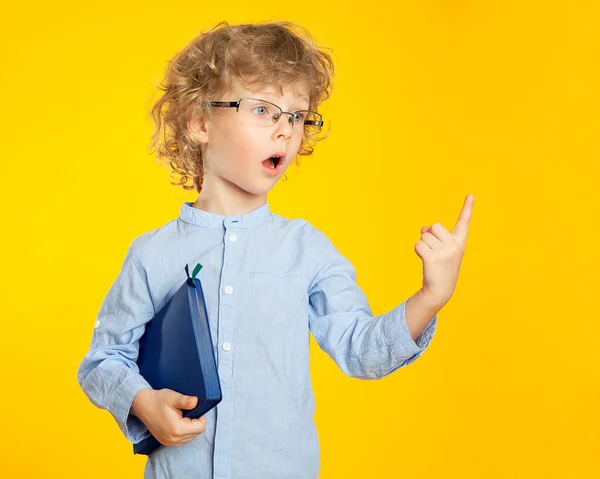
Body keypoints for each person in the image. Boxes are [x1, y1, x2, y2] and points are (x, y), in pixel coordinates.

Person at [77, 20, 446, 479]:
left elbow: (360, 349)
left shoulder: (307, 249)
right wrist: (143, 402)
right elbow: (102, 360)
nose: (285, 131)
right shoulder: (151, 254)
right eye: (264, 110)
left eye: (296, 116)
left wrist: (430, 296)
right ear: (199, 122)